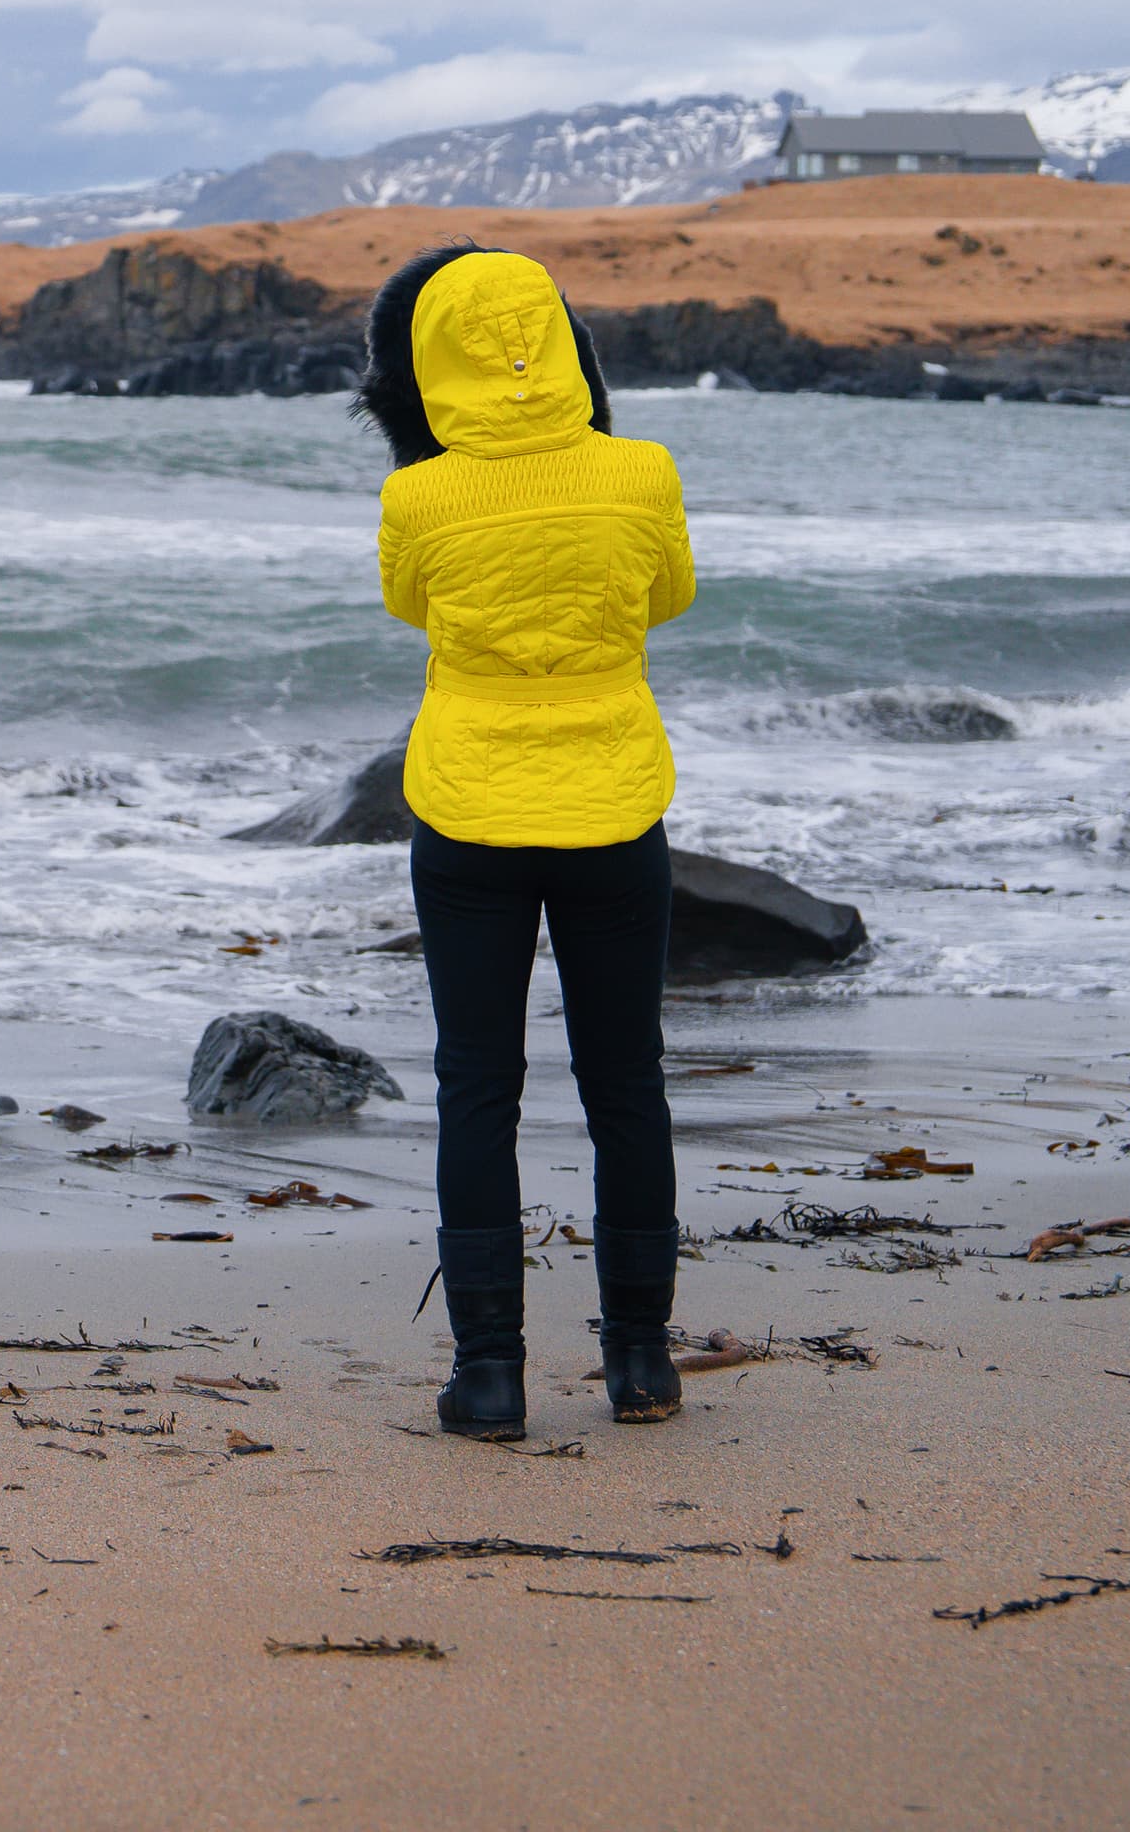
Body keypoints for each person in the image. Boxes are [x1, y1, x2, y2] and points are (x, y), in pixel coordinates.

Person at [353, 245, 696, 1441]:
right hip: (612, 806)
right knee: (627, 1085)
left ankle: (490, 1375)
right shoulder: (642, 470)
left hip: (470, 815)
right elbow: (670, 600)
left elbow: (413, 608)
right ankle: (642, 1365)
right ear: (562, 341)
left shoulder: (416, 495)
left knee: (475, 1088)